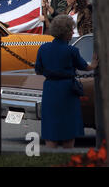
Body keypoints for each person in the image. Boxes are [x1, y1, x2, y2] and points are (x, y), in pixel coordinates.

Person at [35, 15, 98, 148]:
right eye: (70, 30)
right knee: (68, 127)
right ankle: (66, 156)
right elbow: (84, 67)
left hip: (50, 89)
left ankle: (51, 157)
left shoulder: (43, 48)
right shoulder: (71, 51)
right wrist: (93, 64)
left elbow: (38, 70)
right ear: (65, 32)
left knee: (51, 126)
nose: (72, 32)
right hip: (67, 89)